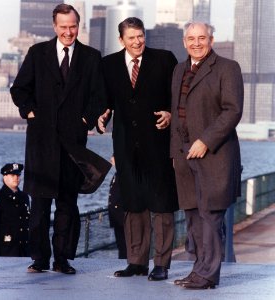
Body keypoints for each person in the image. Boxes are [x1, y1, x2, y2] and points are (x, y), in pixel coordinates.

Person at [10, 4, 108, 274]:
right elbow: (19, 89)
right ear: (54, 26)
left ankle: (62, 260)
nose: (68, 32)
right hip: (41, 143)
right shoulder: (37, 53)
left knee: (67, 204)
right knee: (39, 207)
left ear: (79, 25)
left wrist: (87, 120)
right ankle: (39, 259)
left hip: (72, 144)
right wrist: (29, 111)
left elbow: (99, 97)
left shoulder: (91, 57)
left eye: (73, 26)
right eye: (63, 27)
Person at [98, 17, 179, 281]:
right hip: (125, 147)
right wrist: (101, 115)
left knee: (162, 205)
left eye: (141, 36)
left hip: (158, 144)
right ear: (121, 40)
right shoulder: (108, 64)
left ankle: (162, 263)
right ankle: (136, 262)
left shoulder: (165, 59)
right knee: (133, 205)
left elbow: (177, 98)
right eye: (131, 38)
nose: (138, 42)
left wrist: (169, 113)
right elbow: (104, 100)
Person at [170, 22, 244, 289]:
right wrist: (175, 155)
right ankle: (198, 270)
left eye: (202, 38)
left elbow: (232, 111)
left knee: (210, 217)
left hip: (214, 155)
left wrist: (205, 141)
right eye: (191, 38)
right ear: (184, 41)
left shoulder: (227, 68)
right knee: (192, 217)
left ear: (211, 39)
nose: (197, 43)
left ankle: (208, 275)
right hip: (184, 156)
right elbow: (177, 113)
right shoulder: (179, 69)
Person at [0, 163, 30, 257]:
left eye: (18, 175)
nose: (16, 177)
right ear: (4, 177)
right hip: (5, 252)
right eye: (12, 175)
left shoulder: (24, 197)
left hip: (24, 251)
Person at [108, 156, 127, 259]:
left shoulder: (122, 175)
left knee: (124, 245)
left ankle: (125, 263)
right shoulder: (117, 174)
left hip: (121, 216)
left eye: (113, 157)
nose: (111, 159)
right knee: (121, 245)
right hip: (116, 216)